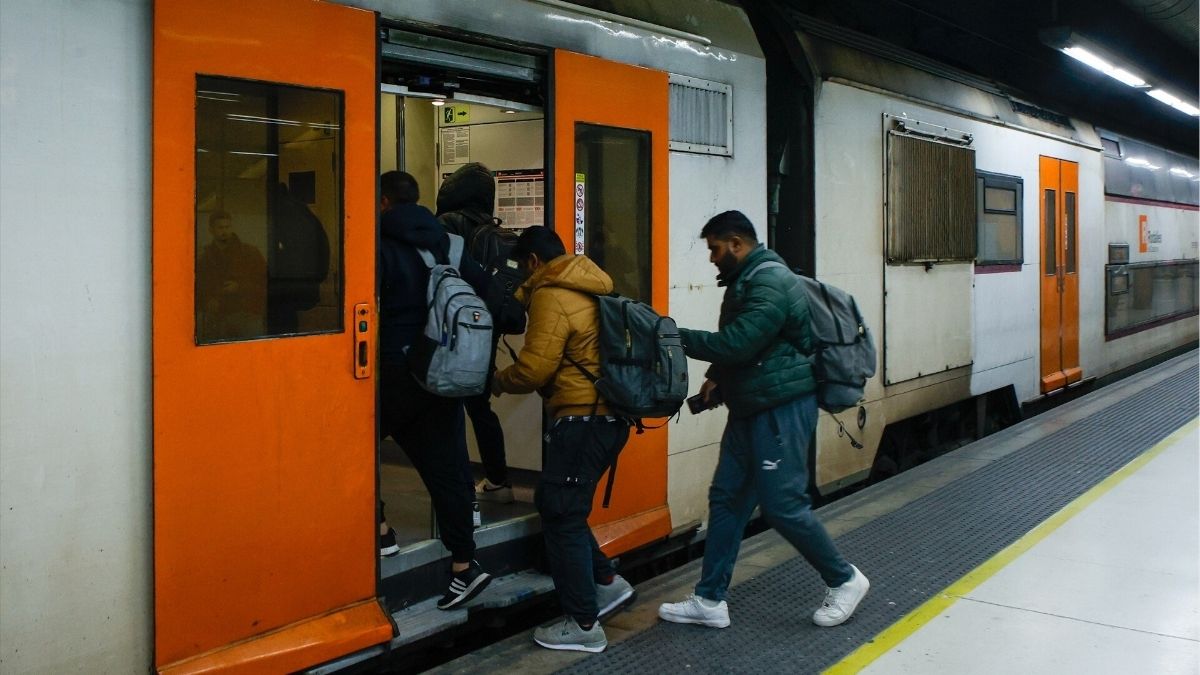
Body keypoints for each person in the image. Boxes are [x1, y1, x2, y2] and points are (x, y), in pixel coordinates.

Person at [657, 210, 869, 629]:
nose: (712, 258)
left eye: (715, 249)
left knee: (783, 505)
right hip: (751, 406)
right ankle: (710, 599)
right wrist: (717, 377)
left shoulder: (770, 280)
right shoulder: (747, 280)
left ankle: (845, 580)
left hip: (781, 407)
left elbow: (738, 343)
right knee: (727, 499)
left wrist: (667, 334)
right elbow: (752, 343)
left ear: (736, 243)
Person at [492, 226, 635, 653]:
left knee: (561, 511)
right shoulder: (594, 286)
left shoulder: (551, 294)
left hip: (582, 419)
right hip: (609, 418)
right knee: (562, 507)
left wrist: (499, 380)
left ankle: (584, 625)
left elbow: (535, 369)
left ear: (534, 262)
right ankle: (607, 582)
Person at [377, 170, 492, 609]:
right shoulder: (451, 245)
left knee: (352, 452)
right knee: (447, 469)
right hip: (441, 371)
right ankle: (465, 566)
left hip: (392, 371)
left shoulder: (376, 245)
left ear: (384, 202)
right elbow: (488, 295)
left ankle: (381, 532)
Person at [436, 162, 513, 504]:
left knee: (446, 412)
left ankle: (459, 491)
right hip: (486, 330)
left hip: (450, 330)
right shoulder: (492, 229)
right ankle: (499, 480)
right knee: (479, 408)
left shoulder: (446, 225)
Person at [196, 210, 267, 341]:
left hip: (247, 316)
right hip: (217, 319)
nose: (224, 231)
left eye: (227, 227)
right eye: (220, 227)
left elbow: (265, 283)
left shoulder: (250, 253)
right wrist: (207, 301)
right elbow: (198, 286)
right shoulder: (204, 258)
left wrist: (239, 287)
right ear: (211, 230)